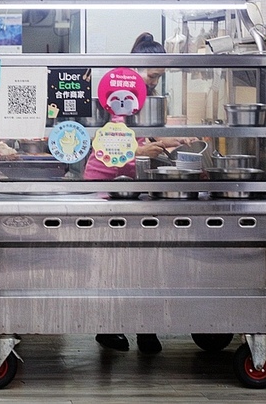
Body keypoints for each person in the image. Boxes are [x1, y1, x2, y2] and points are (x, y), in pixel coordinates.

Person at [85, 32, 182, 355]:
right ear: (138, 68)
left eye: (159, 76)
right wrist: (151, 149)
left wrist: (166, 142)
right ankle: (107, 326)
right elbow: (119, 142)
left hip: (133, 185)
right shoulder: (116, 91)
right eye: (152, 75)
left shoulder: (146, 97)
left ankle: (146, 328)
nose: (155, 82)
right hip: (105, 184)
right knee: (110, 261)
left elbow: (141, 140)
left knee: (145, 260)